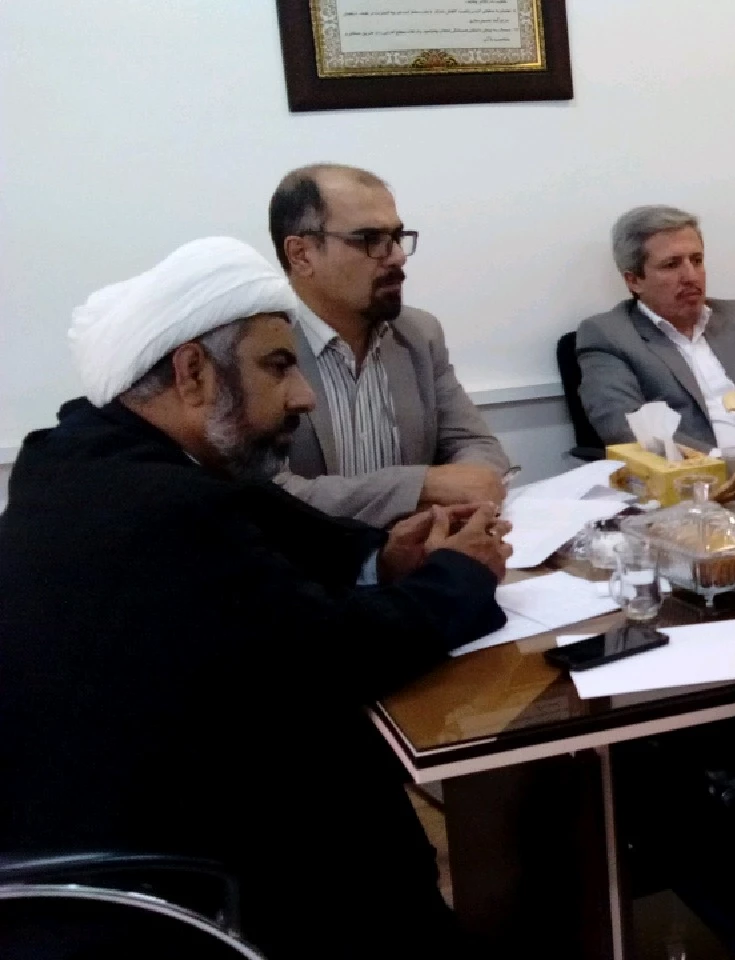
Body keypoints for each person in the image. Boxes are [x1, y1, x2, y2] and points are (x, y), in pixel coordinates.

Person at [0, 237, 512, 959]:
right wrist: (462, 575)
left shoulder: (84, 457)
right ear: (193, 373)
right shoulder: (162, 505)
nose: (303, 394)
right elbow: (335, 656)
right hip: (181, 883)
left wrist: (385, 556)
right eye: (277, 366)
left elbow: (277, 538)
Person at [269, 163, 512, 526]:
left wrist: (465, 487)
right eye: (370, 239)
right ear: (301, 255)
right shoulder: (263, 352)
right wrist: (420, 486)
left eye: (397, 237)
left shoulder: (418, 334)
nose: (397, 256)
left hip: (424, 550)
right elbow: (271, 494)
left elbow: (477, 446)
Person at [576, 205, 735, 452]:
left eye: (697, 260)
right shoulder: (609, 335)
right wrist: (721, 462)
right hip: (699, 470)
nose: (691, 276)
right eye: (672, 265)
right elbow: (625, 428)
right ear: (634, 281)